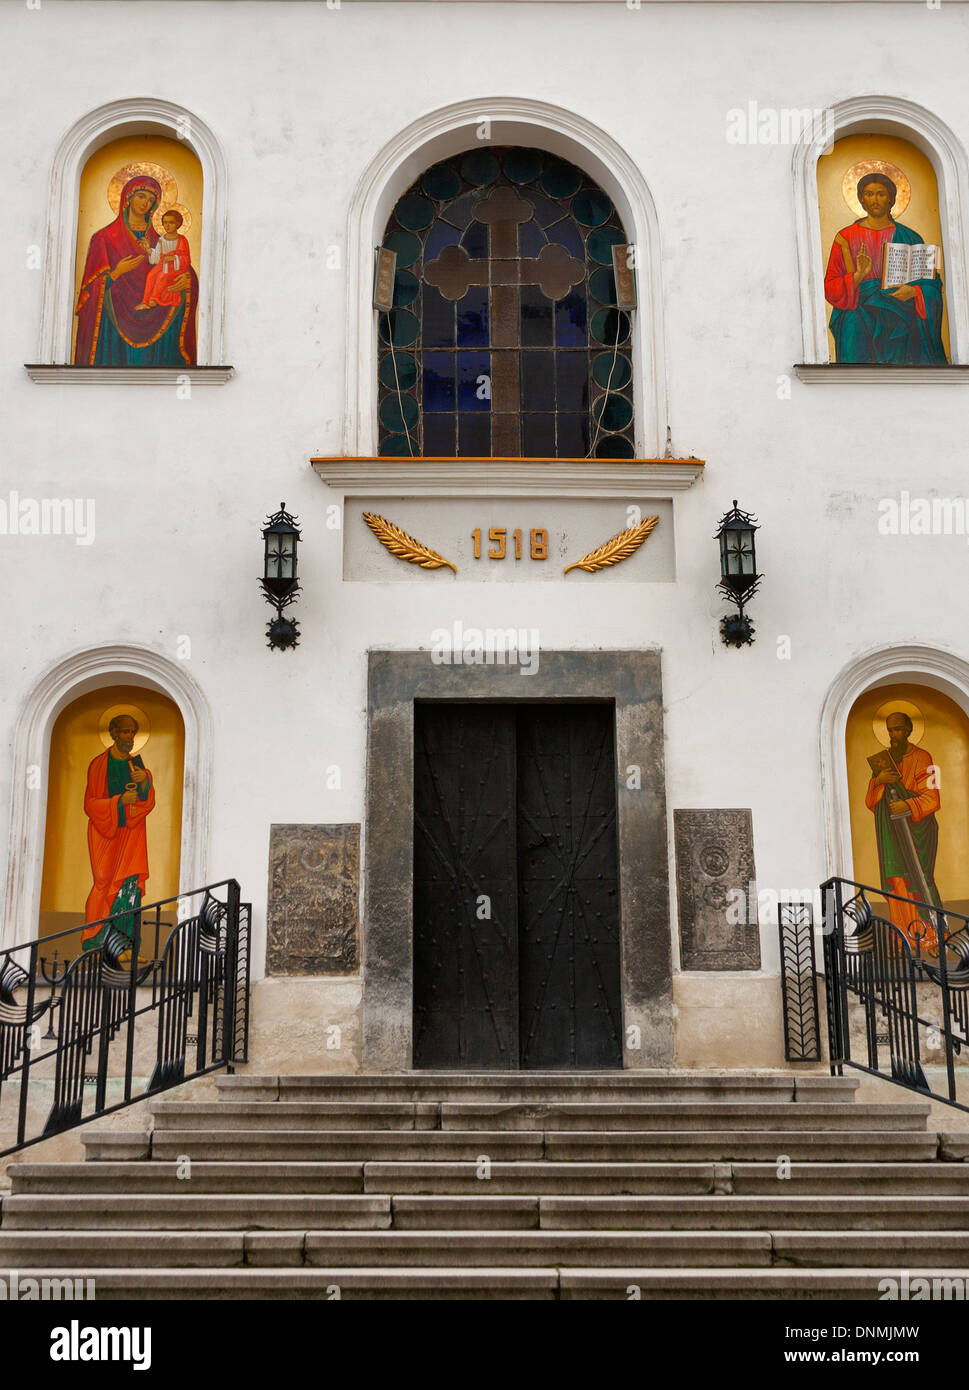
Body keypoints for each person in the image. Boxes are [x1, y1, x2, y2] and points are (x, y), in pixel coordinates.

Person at [74, 174, 197, 366]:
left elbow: (182, 267)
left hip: (159, 323)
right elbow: (89, 292)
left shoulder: (162, 240)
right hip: (113, 326)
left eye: (151, 200)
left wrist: (187, 281)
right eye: (141, 196)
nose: (145, 203)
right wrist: (116, 273)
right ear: (128, 198)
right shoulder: (104, 238)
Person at [824, 172, 947, 365]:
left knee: (904, 325)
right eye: (869, 194)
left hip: (898, 310)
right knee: (853, 323)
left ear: (890, 198)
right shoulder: (845, 238)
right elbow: (831, 288)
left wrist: (914, 291)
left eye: (881, 194)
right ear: (861, 199)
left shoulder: (911, 238)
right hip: (859, 311)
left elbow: (931, 285)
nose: (875, 199)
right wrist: (858, 276)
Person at [865, 711, 944, 950]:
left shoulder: (922, 757)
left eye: (898, 729)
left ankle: (931, 937)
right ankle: (903, 940)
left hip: (918, 832)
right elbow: (871, 802)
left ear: (909, 730)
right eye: (889, 730)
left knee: (919, 880)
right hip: (891, 832)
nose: (893, 735)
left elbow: (933, 799)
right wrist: (879, 781)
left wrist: (907, 805)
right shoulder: (883, 761)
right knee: (896, 882)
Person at [81, 715, 155, 954]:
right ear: (113, 734)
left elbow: (147, 802)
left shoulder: (139, 767)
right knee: (102, 882)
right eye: (125, 732)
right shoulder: (99, 765)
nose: (130, 737)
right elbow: (90, 804)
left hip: (132, 837)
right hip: (105, 835)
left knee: (129, 886)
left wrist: (144, 783)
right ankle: (94, 940)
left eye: (133, 732)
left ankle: (126, 947)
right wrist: (119, 801)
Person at [135, 209, 191, 310]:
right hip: (163, 264)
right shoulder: (162, 239)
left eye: (171, 222)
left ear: (178, 224)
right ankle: (145, 301)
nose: (167, 226)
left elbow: (186, 258)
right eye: (165, 223)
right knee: (151, 276)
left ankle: (154, 298)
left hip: (175, 267)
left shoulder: (182, 239)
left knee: (162, 276)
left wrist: (174, 258)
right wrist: (148, 249)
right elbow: (157, 255)